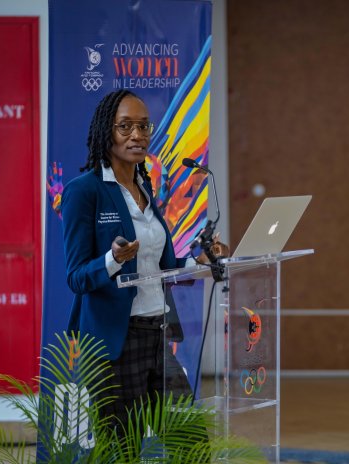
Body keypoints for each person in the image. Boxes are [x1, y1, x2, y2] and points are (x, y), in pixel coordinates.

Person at [61, 89, 227, 432]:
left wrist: (201, 261)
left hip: (158, 333)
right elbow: (76, 277)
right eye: (125, 126)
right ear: (106, 131)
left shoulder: (145, 189)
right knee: (123, 447)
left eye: (143, 126)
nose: (137, 135)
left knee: (189, 440)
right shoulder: (84, 191)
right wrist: (113, 259)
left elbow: (161, 266)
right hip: (114, 343)